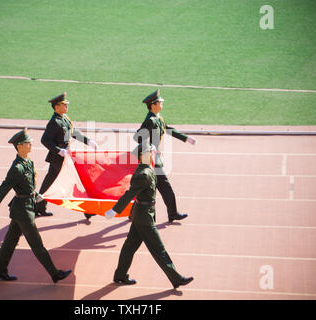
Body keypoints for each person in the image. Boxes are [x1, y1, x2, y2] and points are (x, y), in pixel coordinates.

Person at [0, 128, 72, 283]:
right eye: (28, 143)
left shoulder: (28, 162)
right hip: (23, 211)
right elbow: (4, 187)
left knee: (10, 241)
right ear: (19, 146)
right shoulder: (17, 168)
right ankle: (55, 274)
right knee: (37, 244)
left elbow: (28, 187)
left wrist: (37, 196)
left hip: (23, 207)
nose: (30, 145)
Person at [104, 141, 194, 289]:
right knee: (159, 250)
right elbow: (130, 194)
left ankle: (120, 275)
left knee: (130, 246)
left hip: (142, 214)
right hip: (144, 217)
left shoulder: (148, 169)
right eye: (150, 152)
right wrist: (115, 210)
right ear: (143, 156)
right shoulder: (143, 174)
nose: (153, 153)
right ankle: (176, 278)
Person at [134, 89, 196, 223]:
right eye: (160, 102)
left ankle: (134, 213)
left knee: (147, 187)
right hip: (150, 158)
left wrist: (186, 138)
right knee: (162, 187)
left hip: (153, 158)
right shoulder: (150, 120)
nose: (162, 103)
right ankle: (172, 213)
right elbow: (137, 137)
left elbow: (168, 129)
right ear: (153, 104)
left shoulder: (158, 118)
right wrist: (150, 146)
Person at [36, 92, 98, 220]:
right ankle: (88, 209)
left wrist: (88, 141)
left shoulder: (64, 118)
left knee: (50, 182)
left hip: (64, 157)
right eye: (63, 105)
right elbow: (45, 140)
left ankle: (37, 206)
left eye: (66, 104)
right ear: (56, 107)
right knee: (79, 182)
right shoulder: (55, 122)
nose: (66, 106)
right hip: (59, 158)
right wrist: (59, 150)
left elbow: (73, 132)